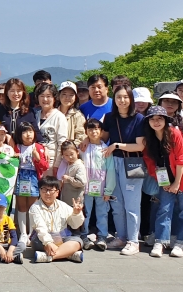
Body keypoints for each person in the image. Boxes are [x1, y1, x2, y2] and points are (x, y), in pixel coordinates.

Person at [96, 83, 146, 256]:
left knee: (132, 204)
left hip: (133, 163)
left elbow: (140, 146)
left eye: (126, 97)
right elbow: (103, 137)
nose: (122, 100)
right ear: (114, 99)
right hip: (113, 163)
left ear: (131, 99)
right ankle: (122, 237)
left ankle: (133, 240)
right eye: (119, 97)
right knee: (117, 203)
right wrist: (88, 139)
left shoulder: (139, 119)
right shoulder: (110, 117)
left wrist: (117, 145)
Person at [142, 106, 183, 259]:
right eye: (152, 119)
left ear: (166, 120)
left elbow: (182, 158)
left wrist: (177, 183)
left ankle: (180, 242)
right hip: (165, 180)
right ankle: (161, 241)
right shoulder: (149, 139)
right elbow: (150, 163)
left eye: (160, 118)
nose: (156, 122)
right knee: (164, 209)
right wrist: (164, 183)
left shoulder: (175, 133)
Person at [30, 175, 85, 263]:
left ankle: (49, 257)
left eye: (51, 190)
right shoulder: (35, 207)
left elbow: (75, 225)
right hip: (42, 239)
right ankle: (68, 254)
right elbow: (40, 228)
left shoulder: (63, 206)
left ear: (57, 193)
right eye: (44, 189)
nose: (47, 193)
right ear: (40, 191)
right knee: (38, 242)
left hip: (62, 238)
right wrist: (48, 242)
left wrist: (76, 213)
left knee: (78, 241)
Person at [81, 118, 113, 252]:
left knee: (102, 212)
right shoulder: (82, 147)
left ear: (101, 131)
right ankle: (83, 235)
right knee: (85, 212)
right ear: (86, 131)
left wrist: (109, 190)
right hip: (85, 187)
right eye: (90, 129)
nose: (93, 132)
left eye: (96, 129)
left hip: (101, 187)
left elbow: (111, 170)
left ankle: (102, 236)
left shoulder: (105, 149)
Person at [13, 122, 48, 244]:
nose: (28, 135)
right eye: (24, 132)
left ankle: (31, 233)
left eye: (30, 131)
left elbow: (45, 166)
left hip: (33, 177)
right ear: (19, 134)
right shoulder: (17, 146)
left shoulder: (38, 147)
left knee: (33, 207)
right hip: (21, 177)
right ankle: (23, 233)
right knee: (21, 206)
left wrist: (37, 158)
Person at [0, 78, 43, 145]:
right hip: (4, 149)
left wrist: (43, 145)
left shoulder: (29, 111)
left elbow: (35, 131)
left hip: (23, 149)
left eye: (19, 91)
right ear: (6, 93)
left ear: (23, 92)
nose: (15, 94)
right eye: (12, 91)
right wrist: (7, 135)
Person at [34, 82, 68, 173]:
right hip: (34, 159)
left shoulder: (59, 117)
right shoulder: (35, 115)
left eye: (48, 96)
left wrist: (57, 165)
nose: (45, 99)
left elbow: (62, 143)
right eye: (42, 96)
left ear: (54, 98)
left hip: (51, 161)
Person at [55, 81, 86, 165]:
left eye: (71, 95)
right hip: (52, 155)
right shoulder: (52, 113)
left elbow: (81, 136)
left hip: (69, 158)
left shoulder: (78, 115)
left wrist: (67, 151)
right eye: (64, 94)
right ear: (58, 95)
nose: (67, 97)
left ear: (75, 97)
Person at [58, 141, 86, 212]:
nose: (70, 157)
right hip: (66, 200)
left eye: (72, 154)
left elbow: (81, 182)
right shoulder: (67, 165)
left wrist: (69, 178)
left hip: (75, 202)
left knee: (75, 220)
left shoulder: (79, 166)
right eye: (66, 155)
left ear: (77, 152)